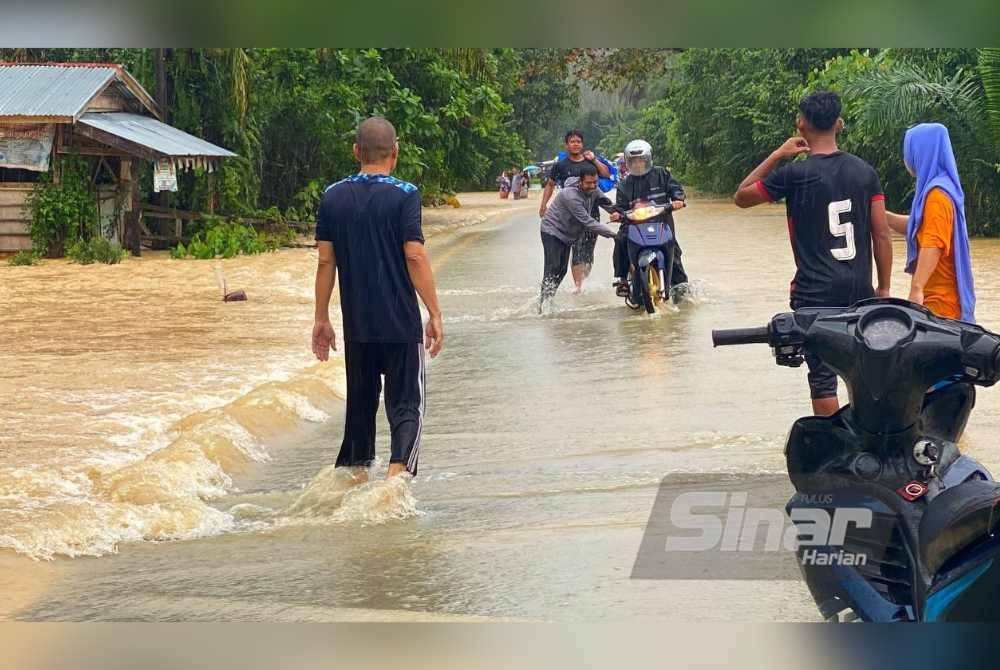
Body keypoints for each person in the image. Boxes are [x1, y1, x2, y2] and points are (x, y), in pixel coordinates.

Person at [733, 90, 893, 417]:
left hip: (814, 293)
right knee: (863, 368)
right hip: (859, 292)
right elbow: (881, 233)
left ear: (801, 124)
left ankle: (834, 447)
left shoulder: (793, 175)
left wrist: (777, 154)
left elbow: (741, 196)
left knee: (822, 378)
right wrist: (884, 288)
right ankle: (870, 438)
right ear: (839, 124)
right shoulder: (865, 172)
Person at [312, 116, 444, 481]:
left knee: (360, 411)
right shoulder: (405, 195)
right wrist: (434, 313)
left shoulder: (332, 196)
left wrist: (321, 318)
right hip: (400, 324)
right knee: (407, 408)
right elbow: (415, 255)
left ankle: (353, 482)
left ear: (356, 151)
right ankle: (394, 483)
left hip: (358, 326)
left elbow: (326, 261)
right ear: (395, 152)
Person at [884, 123, 975, 322]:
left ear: (922, 152)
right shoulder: (939, 188)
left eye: (909, 150)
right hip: (938, 303)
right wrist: (883, 217)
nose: (906, 158)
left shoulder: (937, 195)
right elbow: (919, 227)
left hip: (941, 308)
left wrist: (916, 289)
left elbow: (933, 244)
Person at [612, 139, 688, 297]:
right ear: (628, 162)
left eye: (641, 160)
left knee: (674, 252)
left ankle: (681, 288)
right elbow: (620, 207)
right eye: (633, 161)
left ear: (647, 159)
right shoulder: (624, 184)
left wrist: (678, 199)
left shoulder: (662, 174)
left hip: (661, 223)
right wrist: (617, 214)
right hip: (634, 225)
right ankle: (622, 280)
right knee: (620, 240)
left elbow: (675, 189)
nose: (638, 164)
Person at [539, 130, 613, 294]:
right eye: (572, 142)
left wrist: (622, 214)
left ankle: (577, 281)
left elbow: (607, 176)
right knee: (575, 251)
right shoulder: (561, 165)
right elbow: (550, 185)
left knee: (587, 252)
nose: (576, 144)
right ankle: (577, 287)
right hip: (571, 214)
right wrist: (543, 205)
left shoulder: (590, 162)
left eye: (578, 141)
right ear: (566, 145)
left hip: (591, 211)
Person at [538, 165, 619, 311]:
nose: (592, 186)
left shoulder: (594, 188)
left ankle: (549, 300)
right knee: (553, 267)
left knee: (562, 270)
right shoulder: (570, 196)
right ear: (580, 182)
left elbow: (606, 204)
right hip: (552, 231)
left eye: (595, 182)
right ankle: (543, 305)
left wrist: (623, 215)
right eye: (588, 183)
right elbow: (588, 222)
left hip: (568, 234)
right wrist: (613, 235)